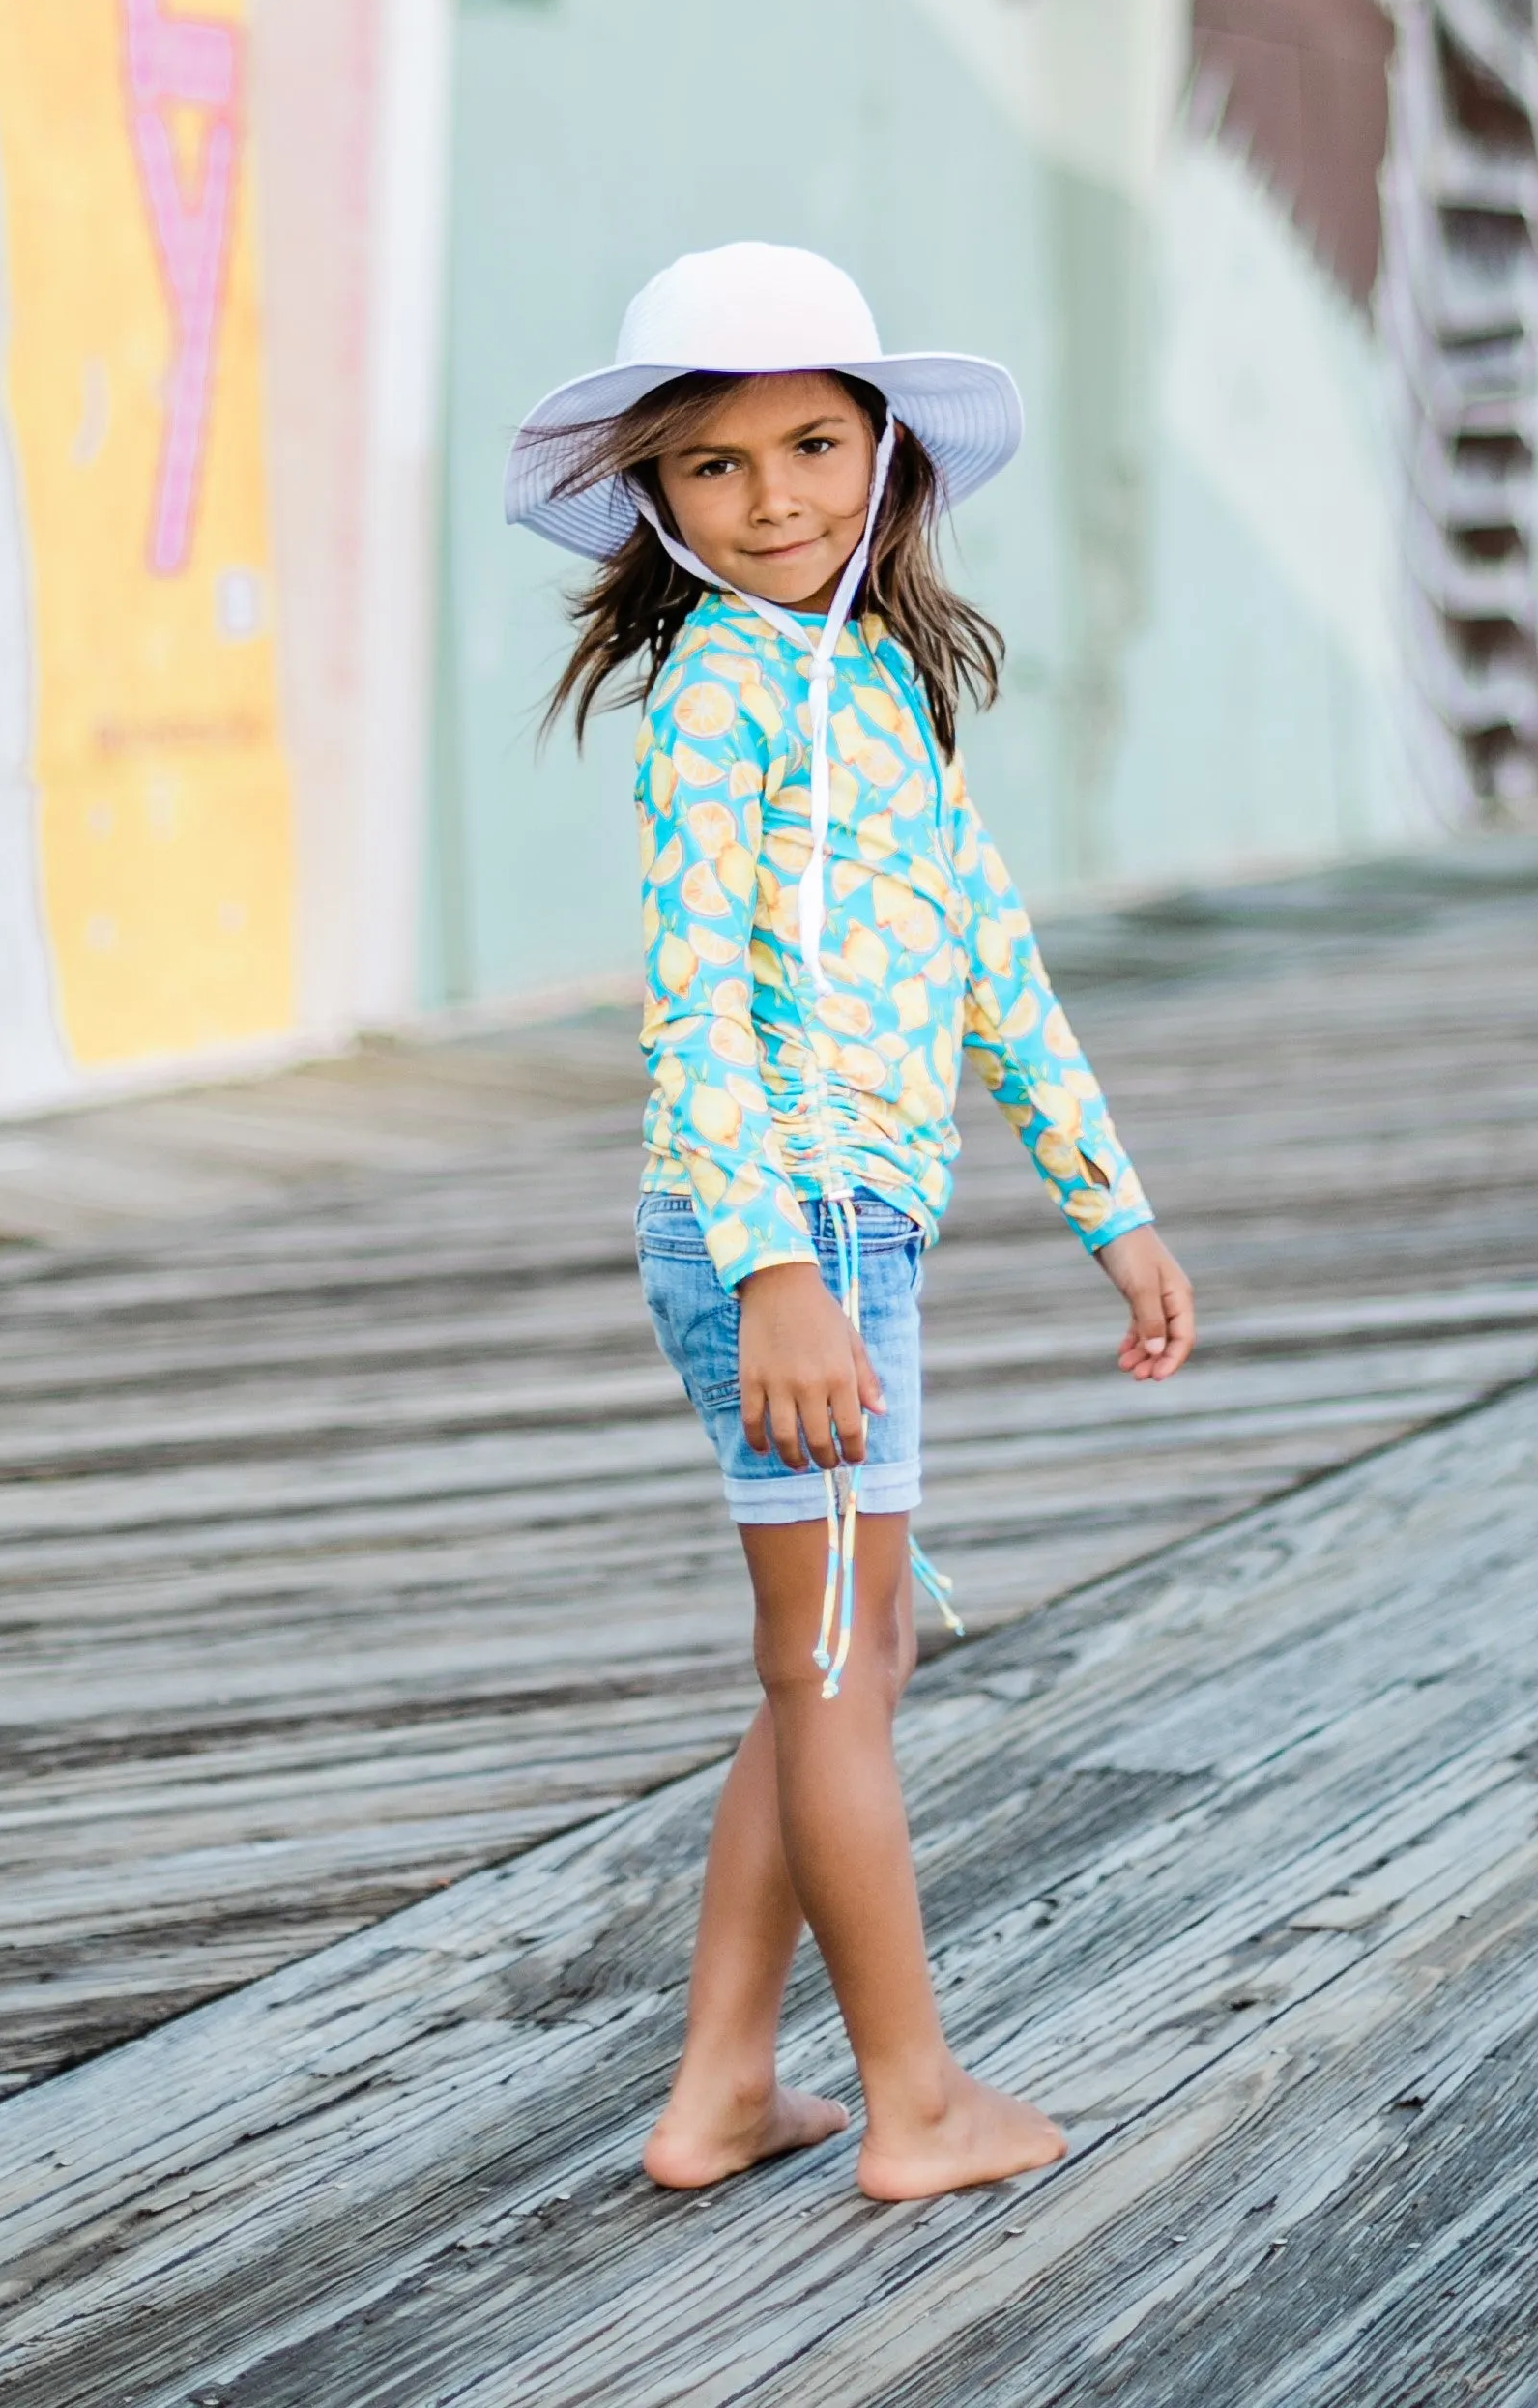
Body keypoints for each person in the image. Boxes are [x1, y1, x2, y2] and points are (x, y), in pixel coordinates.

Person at [507, 242, 1197, 2203]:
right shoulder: (711, 702)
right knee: (831, 1655)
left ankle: (724, 2077)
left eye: (812, 441)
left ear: (885, 452)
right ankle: (914, 2094)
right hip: (779, 1231)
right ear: (655, 497)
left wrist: (1108, 1210)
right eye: (715, 465)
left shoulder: (878, 685)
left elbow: (992, 958)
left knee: (843, 1643)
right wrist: (779, 1268)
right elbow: (692, 1004)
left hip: (845, 1226)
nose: (777, 496)